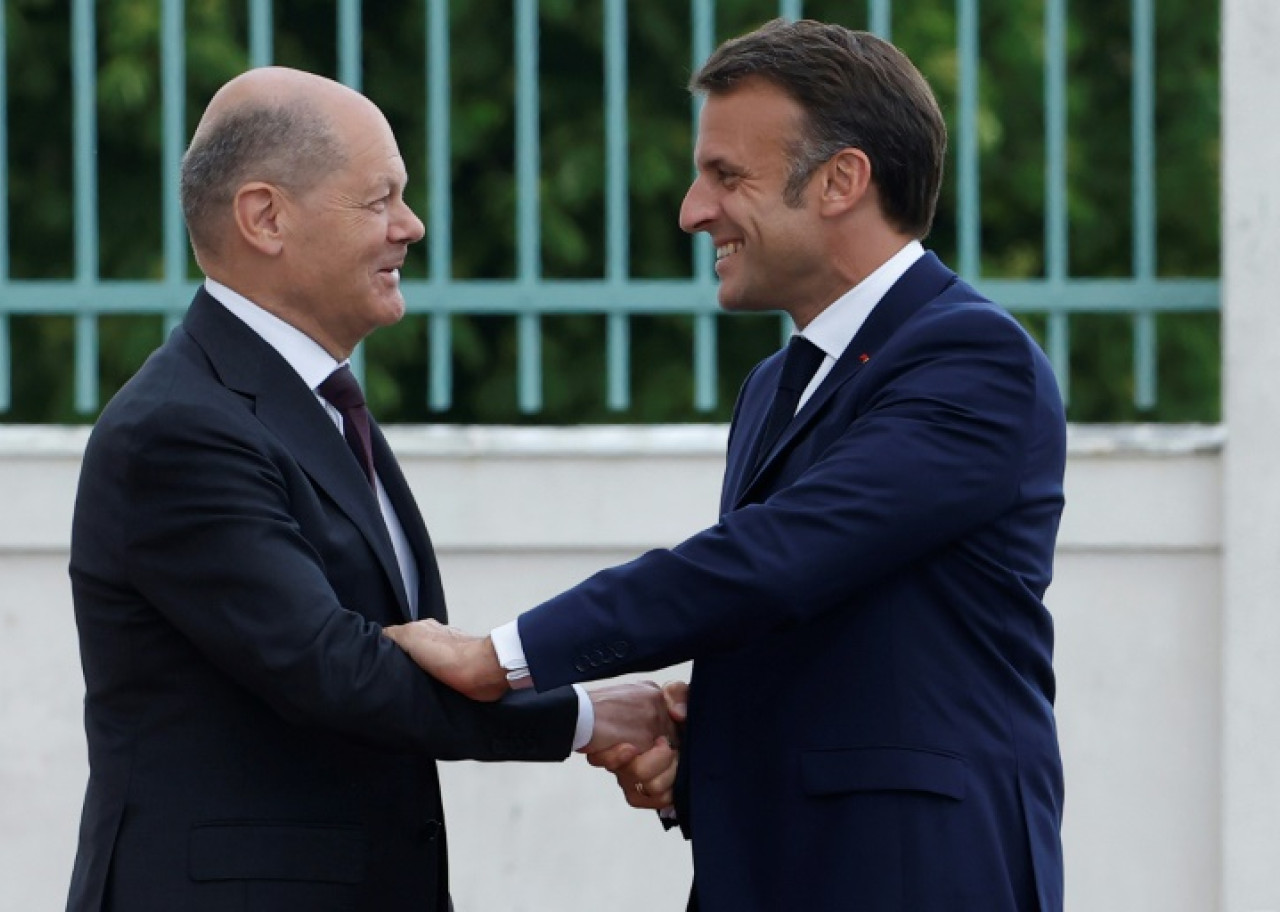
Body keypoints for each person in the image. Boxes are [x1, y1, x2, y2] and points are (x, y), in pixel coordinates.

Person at [385, 18, 1067, 912]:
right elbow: (816, 628)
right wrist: (698, 750)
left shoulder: (975, 360)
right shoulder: (778, 384)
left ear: (842, 181)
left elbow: (773, 562)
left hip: (916, 873)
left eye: (726, 176)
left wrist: (503, 657)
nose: (692, 210)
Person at [65, 66, 672, 912]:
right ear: (265, 217)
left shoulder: (309, 403)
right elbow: (334, 669)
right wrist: (584, 717)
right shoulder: (180, 429)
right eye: (379, 199)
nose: (411, 227)